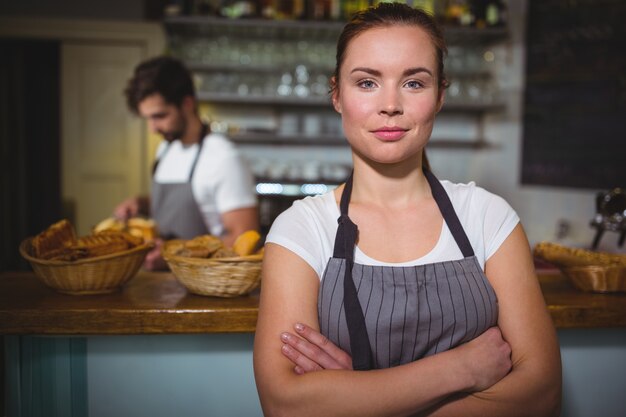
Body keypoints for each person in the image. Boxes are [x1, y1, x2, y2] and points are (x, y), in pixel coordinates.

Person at [253, 3, 561, 416]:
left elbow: (541, 392)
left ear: (439, 97)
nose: (390, 105)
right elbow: (285, 405)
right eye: (367, 83)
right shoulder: (300, 229)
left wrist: (356, 397)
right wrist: (460, 368)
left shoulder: (488, 216)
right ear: (337, 95)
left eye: (414, 83)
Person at [116, 56, 259, 270]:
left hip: (203, 285)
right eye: (148, 118)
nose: (153, 128)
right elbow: (183, 204)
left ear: (187, 104)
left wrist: (171, 253)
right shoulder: (166, 148)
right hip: (161, 282)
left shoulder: (223, 158)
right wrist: (142, 204)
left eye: (160, 116)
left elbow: (245, 237)